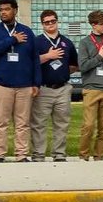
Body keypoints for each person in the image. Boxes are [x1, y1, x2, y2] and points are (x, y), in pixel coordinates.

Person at [0, 0, 40, 162]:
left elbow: (35, 59)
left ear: (15, 10)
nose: (3, 12)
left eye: (7, 9)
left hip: (24, 85)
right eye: (1, 9)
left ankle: (21, 155)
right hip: (1, 84)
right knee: (0, 122)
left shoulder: (27, 31)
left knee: (23, 123)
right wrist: (12, 39)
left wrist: (36, 82)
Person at [31, 10, 78, 162]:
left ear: (57, 21)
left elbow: (74, 65)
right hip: (43, 89)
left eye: (53, 21)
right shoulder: (36, 42)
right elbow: (30, 63)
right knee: (39, 124)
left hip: (63, 88)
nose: (50, 24)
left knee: (62, 124)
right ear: (42, 24)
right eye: (47, 22)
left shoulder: (67, 42)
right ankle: (38, 155)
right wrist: (48, 56)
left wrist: (62, 73)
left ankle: (59, 154)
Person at [76, 10, 103, 161]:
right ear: (93, 25)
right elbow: (82, 66)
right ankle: (83, 156)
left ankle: (99, 157)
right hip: (92, 89)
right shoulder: (85, 43)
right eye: (102, 24)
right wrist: (99, 56)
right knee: (88, 125)